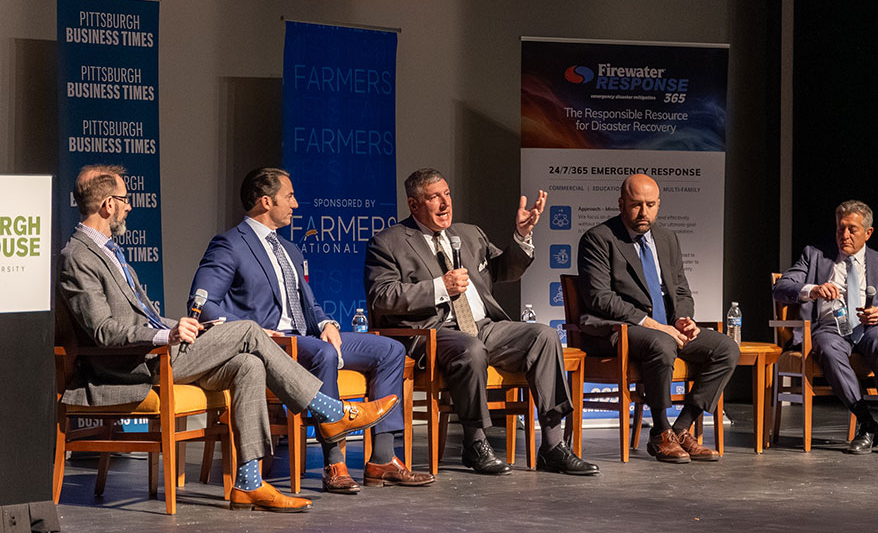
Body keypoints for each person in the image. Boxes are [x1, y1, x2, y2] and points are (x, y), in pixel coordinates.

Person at [58, 164, 397, 512]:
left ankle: (249, 482)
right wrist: (164, 335)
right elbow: (103, 332)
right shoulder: (78, 257)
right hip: (132, 365)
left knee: (247, 365)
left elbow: (146, 316)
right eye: (126, 200)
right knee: (249, 330)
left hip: (157, 353)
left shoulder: (111, 251)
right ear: (108, 205)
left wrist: (179, 328)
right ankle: (331, 411)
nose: (130, 206)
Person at [189, 167, 432, 492]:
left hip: (305, 337)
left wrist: (326, 323)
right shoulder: (230, 244)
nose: (297, 204)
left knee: (390, 350)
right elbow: (202, 303)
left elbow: (309, 304)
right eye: (289, 197)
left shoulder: (291, 249)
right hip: (270, 344)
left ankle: (383, 460)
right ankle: (335, 464)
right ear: (265, 201)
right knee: (323, 352)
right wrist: (254, 332)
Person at [364, 168, 598, 476]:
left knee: (543, 335)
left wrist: (522, 236)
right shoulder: (389, 242)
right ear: (414, 204)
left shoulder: (469, 234)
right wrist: (439, 288)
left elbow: (505, 270)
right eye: (434, 197)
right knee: (471, 348)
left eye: (447, 194)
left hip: (484, 326)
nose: (445, 204)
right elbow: (382, 296)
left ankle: (553, 446)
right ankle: (475, 443)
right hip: (431, 332)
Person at [577, 174, 739, 464]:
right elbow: (599, 297)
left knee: (726, 348)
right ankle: (660, 431)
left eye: (650, 205)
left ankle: (681, 428)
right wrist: (652, 324)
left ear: (659, 204)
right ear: (621, 204)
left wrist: (684, 319)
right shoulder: (599, 239)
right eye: (636, 205)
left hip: (666, 328)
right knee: (661, 343)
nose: (644, 212)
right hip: (618, 330)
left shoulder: (666, 238)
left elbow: (680, 289)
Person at [773, 200, 878, 456]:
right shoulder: (814, 255)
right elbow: (781, 288)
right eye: (840, 229)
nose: (844, 235)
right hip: (831, 328)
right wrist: (812, 290)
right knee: (826, 347)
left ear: (868, 233)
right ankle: (867, 423)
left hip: (871, 328)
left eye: (852, 229)